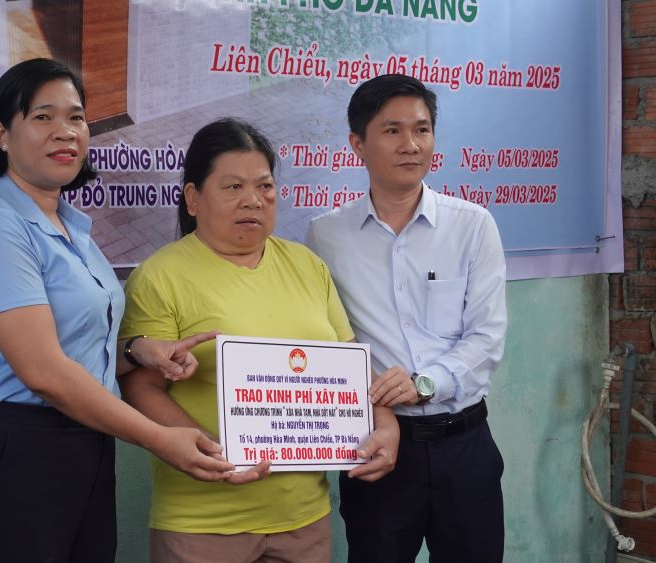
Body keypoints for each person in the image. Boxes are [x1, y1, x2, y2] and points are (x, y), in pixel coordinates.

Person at [0, 58, 234, 563]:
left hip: (86, 443)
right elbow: (46, 373)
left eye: (76, 118)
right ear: (2, 134)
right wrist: (161, 439)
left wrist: (141, 354)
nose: (66, 132)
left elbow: (79, 350)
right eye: (43, 117)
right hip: (17, 452)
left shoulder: (72, 229)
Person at [119, 118, 400, 563]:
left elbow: (348, 364)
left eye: (264, 186)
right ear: (193, 198)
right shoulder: (159, 276)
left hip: (303, 517)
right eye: (232, 187)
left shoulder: (307, 266)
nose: (252, 200)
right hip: (203, 523)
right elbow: (140, 386)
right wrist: (212, 449)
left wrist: (385, 422)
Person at [306, 74, 508, 562]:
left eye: (422, 129)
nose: (411, 144)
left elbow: (487, 336)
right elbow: (325, 340)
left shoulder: (472, 225)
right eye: (392, 131)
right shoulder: (325, 236)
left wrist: (425, 383)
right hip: (378, 451)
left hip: (465, 445)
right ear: (358, 143)